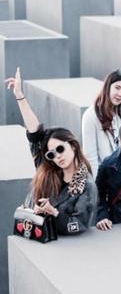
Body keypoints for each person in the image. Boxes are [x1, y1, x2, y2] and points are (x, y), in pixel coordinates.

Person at [6, 67, 97, 236]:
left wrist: (54, 213)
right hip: (32, 233)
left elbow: (79, 225)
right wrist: (19, 95)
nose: (57, 156)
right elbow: (34, 133)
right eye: (51, 154)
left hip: (58, 247)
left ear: (74, 146)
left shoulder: (87, 186)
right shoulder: (48, 168)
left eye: (60, 149)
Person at [81, 70, 121, 177]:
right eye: (117, 88)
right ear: (107, 87)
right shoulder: (90, 116)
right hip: (104, 179)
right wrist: (98, 188)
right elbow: (91, 159)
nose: (120, 94)